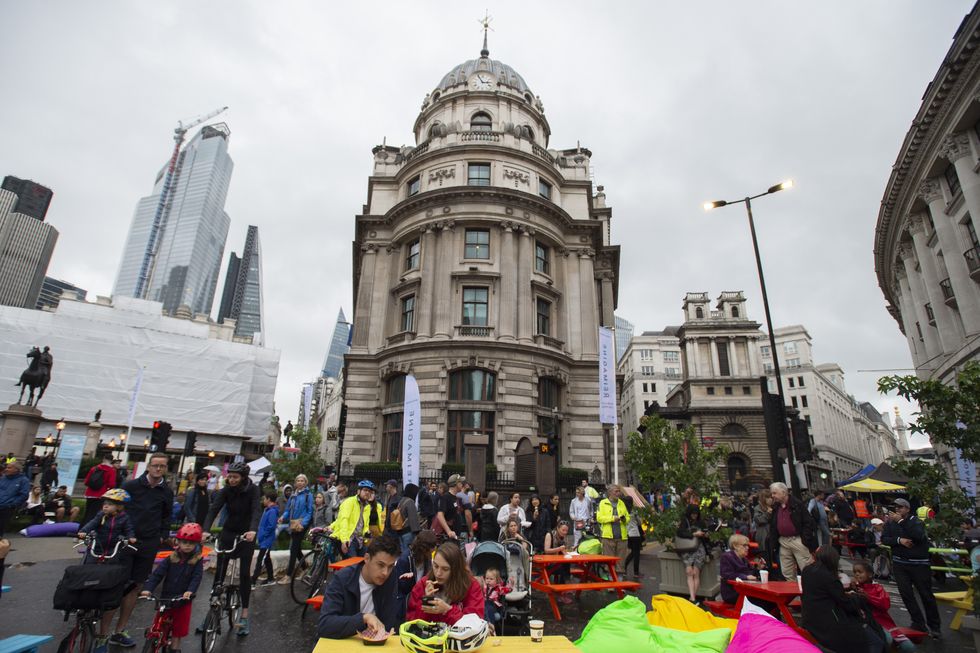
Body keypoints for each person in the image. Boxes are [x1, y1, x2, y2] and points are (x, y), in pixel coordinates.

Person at [97, 452, 173, 653]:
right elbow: (114, 509)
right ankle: (102, 635)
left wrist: (161, 535)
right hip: (124, 542)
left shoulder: (166, 491)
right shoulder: (131, 486)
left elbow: (166, 516)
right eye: (155, 465)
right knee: (116, 585)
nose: (158, 469)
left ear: (166, 468)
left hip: (148, 544)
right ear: (148, 466)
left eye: (162, 466)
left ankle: (120, 630)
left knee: (135, 587)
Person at [201, 460, 261, 636]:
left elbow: (257, 510)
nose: (231, 480)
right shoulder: (226, 490)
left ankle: (244, 615)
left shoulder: (253, 490)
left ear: (243, 478)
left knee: (244, 574)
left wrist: (252, 530)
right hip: (229, 532)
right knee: (219, 573)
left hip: (246, 535)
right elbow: (214, 509)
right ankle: (210, 614)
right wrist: (205, 530)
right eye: (230, 477)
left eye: (235, 477)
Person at [801, 547, 886, 653]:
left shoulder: (807, 571)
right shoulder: (829, 577)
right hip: (829, 624)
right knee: (875, 641)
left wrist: (847, 589)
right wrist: (859, 597)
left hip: (809, 618)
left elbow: (825, 592)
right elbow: (847, 604)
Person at [318, 536, 403, 639]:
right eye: (380, 565)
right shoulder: (342, 578)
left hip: (373, 644)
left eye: (390, 566)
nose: (385, 573)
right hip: (343, 641)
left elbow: (389, 621)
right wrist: (363, 618)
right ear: (367, 558)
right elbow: (325, 625)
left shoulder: (391, 576)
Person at [139, 523, 205, 653]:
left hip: (183, 599)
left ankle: (175, 648)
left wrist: (190, 591)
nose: (187, 546)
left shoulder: (197, 561)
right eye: (184, 542)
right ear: (178, 542)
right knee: (158, 622)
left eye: (191, 543)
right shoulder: (170, 558)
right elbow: (157, 574)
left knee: (178, 630)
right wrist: (148, 589)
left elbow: (196, 578)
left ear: (196, 545)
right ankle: (154, 640)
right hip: (166, 597)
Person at [881, 498, 941, 639]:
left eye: (900, 507)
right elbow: (884, 539)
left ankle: (934, 626)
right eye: (895, 507)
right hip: (900, 563)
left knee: (926, 594)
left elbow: (918, 536)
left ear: (907, 509)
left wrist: (901, 522)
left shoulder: (915, 521)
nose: (897, 510)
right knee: (906, 594)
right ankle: (918, 622)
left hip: (919, 563)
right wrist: (899, 540)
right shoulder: (890, 523)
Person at [406, 541, 484, 625]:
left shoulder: (471, 585)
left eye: (445, 569)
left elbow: (474, 624)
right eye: (435, 566)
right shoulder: (424, 584)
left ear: (456, 570)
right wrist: (426, 602)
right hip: (431, 637)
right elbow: (412, 623)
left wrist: (448, 610)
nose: (438, 573)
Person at [850, 560, 915, 652]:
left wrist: (868, 597)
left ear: (870, 574)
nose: (856, 574)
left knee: (909, 647)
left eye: (860, 572)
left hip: (884, 623)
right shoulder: (854, 588)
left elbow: (885, 605)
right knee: (887, 640)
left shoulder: (878, 588)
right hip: (868, 624)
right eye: (855, 572)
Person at [767, 482, 817, 582]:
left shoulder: (797, 504)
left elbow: (808, 522)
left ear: (783, 492)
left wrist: (805, 539)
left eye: (775, 493)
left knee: (806, 567)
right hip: (783, 540)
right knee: (786, 570)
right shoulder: (776, 507)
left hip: (797, 539)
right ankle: (792, 591)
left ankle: (809, 588)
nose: (773, 496)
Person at [78, 488, 137, 560]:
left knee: (112, 564)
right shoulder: (101, 515)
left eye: (110, 504)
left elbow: (128, 528)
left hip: (114, 547)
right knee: (90, 561)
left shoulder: (124, 517)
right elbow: (92, 523)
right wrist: (83, 531)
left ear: (119, 506)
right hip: (97, 545)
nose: (105, 506)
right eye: (104, 504)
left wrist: (131, 537)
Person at [394, 530, 438, 620]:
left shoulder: (427, 559)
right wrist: (409, 579)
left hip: (421, 597)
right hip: (406, 602)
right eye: (430, 552)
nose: (431, 555)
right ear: (424, 549)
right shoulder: (405, 559)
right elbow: (401, 587)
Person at [330, 480, 380, 558]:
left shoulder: (367, 506)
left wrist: (367, 532)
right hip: (349, 539)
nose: (367, 493)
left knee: (365, 562)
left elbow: (364, 523)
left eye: (369, 491)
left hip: (359, 540)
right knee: (353, 565)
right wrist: (344, 540)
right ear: (358, 491)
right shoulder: (349, 502)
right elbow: (344, 520)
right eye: (365, 490)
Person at [280, 473, 314, 576]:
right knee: (296, 547)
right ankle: (305, 567)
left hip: (302, 524)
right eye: (298, 480)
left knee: (293, 548)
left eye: (302, 481)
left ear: (305, 482)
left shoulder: (308, 495)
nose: (300, 482)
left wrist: (303, 524)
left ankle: (288, 575)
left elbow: (310, 512)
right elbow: (287, 509)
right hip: (293, 523)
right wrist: (283, 517)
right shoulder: (293, 495)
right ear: (295, 483)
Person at [677, 504, 709, 603]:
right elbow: (680, 533)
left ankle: (692, 598)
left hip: (699, 549)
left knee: (695, 573)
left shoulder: (701, 522)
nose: (694, 515)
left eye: (696, 514)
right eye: (693, 514)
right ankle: (693, 598)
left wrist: (705, 534)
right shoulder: (684, 521)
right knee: (689, 572)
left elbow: (706, 536)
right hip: (687, 549)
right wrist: (694, 534)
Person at [596, 484, 630, 575]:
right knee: (609, 562)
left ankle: (619, 582)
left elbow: (627, 517)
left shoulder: (621, 503)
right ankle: (611, 583)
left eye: (619, 491)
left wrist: (624, 519)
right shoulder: (603, 503)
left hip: (622, 537)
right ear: (610, 492)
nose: (618, 493)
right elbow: (599, 518)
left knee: (621, 562)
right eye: (616, 491)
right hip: (608, 537)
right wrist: (612, 518)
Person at [251, 489, 280, 587]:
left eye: (264, 499)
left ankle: (253, 581)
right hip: (265, 539)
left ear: (268, 499)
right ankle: (270, 578)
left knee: (261, 560)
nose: (263, 501)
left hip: (266, 540)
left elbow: (271, 526)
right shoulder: (268, 510)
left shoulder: (271, 511)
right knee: (267, 559)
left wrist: (263, 536)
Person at [719, 534, 757, 604]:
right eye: (744, 545)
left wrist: (759, 568)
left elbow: (751, 573)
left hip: (743, 590)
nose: (747, 548)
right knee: (761, 600)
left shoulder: (744, 559)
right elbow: (727, 575)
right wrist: (745, 577)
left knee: (765, 599)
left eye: (747, 545)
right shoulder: (726, 557)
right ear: (735, 546)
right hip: (732, 593)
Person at [542, 521, 573, 601]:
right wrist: (559, 549)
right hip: (548, 563)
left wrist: (567, 552)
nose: (565, 532)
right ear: (558, 528)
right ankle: (563, 589)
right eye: (563, 530)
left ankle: (563, 588)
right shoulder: (550, 535)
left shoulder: (563, 537)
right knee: (564, 566)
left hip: (558, 562)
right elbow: (546, 550)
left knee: (565, 563)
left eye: (566, 531)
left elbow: (564, 551)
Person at [83, 454, 117, 525]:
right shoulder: (111, 470)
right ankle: (88, 531)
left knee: (87, 512)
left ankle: (81, 529)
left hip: (89, 493)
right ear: (111, 461)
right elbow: (111, 484)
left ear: (103, 459)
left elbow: (86, 482)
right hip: (101, 494)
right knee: (95, 514)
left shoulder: (94, 468)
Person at [0, 461, 30, 538]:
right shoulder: (3, 478)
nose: (6, 469)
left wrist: (12, 504)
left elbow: (24, 495)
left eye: (9, 468)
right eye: (6, 467)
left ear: (16, 469)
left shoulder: (23, 480)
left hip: (7, 508)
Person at [391, 483, 420, 550]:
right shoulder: (410, 502)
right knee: (408, 552)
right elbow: (413, 519)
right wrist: (418, 533)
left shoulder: (402, 500)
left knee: (402, 551)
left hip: (400, 531)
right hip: (408, 532)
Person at [623, 497, 645, 579]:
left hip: (628, 535)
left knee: (632, 553)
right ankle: (636, 572)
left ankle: (624, 569)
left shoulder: (623, 511)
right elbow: (639, 522)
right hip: (635, 534)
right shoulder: (634, 511)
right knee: (636, 554)